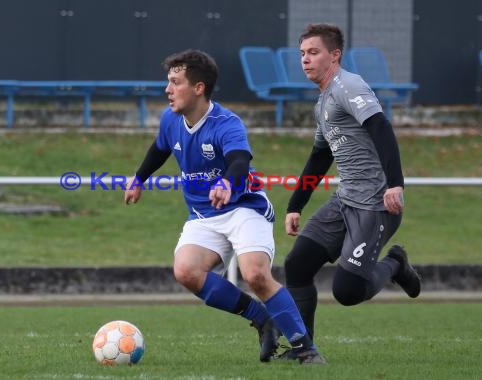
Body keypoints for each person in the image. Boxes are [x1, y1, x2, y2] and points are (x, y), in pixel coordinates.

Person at [124, 49, 325, 364]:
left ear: (199, 88)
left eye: (175, 82)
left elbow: (239, 161)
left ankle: (305, 349)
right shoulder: (170, 120)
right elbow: (159, 149)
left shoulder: (226, 122)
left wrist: (227, 183)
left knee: (255, 274)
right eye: (168, 82)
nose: (168, 89)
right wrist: (138, 179)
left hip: (244, 208)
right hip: (204, 215)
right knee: (186, 271)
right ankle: (262, 318)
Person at [281, 23, 421, 347]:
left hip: (375, 205)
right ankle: (304, 351)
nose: (305, 60)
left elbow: (381, 127)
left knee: (346, 292)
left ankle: (396, 264)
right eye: (302, 53)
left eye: (313, 52)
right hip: (345, 202)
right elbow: (319, 157)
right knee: (297, 265)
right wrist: (295, 205)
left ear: (335, 55)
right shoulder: (322, 102)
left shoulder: (348, 85)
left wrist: (395, 185)